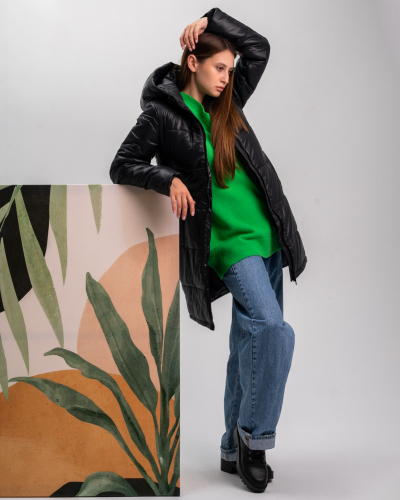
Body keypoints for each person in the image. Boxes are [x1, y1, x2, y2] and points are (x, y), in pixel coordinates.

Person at [110, 7, 307, 494]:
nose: (226, 77)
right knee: (272, 330)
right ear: (193, 62)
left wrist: (212, 17)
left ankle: (228, 449)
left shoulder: (228, 101)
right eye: (219, 67)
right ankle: (254, 440)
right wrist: (168, 178)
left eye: (230, 70)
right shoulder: (160, 114)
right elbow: (122, 164)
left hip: (267, 234)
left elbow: (258, 48)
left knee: (249, 343)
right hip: (227, 244)